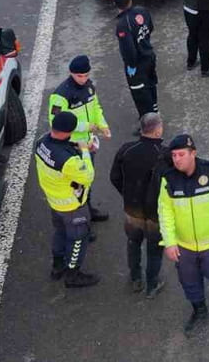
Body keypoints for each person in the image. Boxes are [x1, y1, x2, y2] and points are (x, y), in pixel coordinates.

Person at [158, 133, 209, 335]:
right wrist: (169, 242)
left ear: (193, 153)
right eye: (174, 155)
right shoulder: (168, 180)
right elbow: (165, 211)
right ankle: (200, 311)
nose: (176, 159)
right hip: (184, 245)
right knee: (189, 281)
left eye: (181, 154)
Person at [34, 111, 99, 288]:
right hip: (72, 206)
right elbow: (88, 176)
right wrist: (85, 150)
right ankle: (73, 274)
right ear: (69, 131)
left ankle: (57, 266)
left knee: (60, 233)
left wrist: (74, 146)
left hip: (54, 201)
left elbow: (58, 147)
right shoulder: (69, 161)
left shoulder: (41, 142)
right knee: (78, 239)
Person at [48, 55, 112, 225]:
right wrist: (86, 127)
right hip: (71, 147)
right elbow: (56, 122)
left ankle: (88, 211)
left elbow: (96, 107)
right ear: (71, 73)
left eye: (86, 75)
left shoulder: (89, 87)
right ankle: (80, 221)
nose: (83, 79)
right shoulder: (61, 95)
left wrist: (102, 125)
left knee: (87, 180)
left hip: (87, 145)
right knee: (75, 186)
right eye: (79, 76)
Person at [110, 113, 168, 298]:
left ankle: (135, 278)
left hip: (132, 210)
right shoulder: (165, 155)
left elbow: (115, 177)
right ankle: (152, 284)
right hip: (156, 214)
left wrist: (127, 195)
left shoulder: (127, 149)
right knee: (154, 250)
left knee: (133, 242)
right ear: (158, 129)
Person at [114, 0, 158, 117]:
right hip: (149, 56)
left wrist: (131, 65)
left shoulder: (122, 24)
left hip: (138, 65)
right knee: (151, 85)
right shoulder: (142, 11)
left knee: (140, 93)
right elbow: (150, 28)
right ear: (130, 0)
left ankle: (149, 122)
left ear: (115, 4)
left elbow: (128, 50)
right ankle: (155, 112)